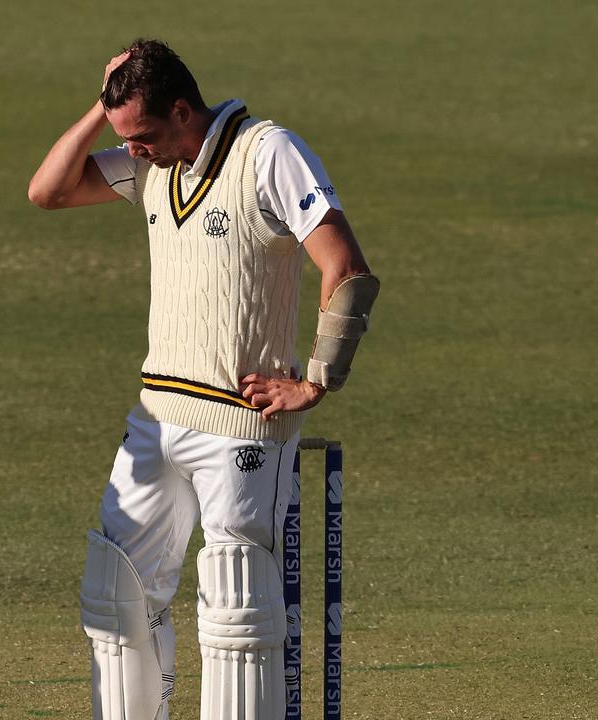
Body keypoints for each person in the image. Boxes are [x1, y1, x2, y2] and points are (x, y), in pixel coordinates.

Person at [28, 39, 379, 720]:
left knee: (237, 615)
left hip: (240, 426)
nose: (133, 151)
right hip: (155, 419)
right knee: (117, 596)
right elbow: (49, 191)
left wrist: (316, 382)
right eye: (124, 137)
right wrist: (107, 108)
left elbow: (347, 268)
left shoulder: (265, 152)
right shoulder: (151, 165)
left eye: (145, 134)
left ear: (183, 109)